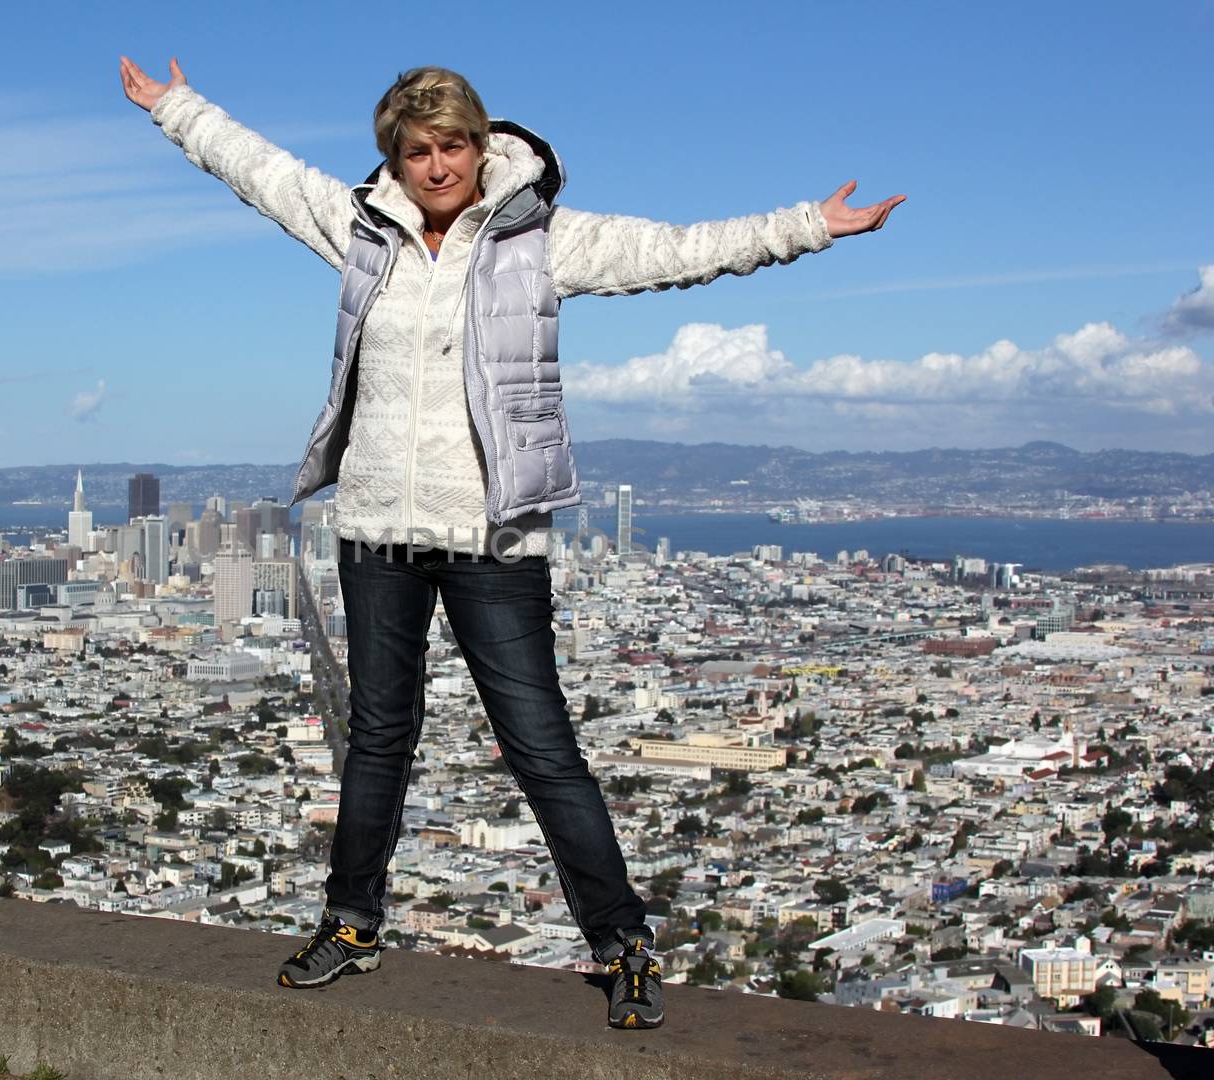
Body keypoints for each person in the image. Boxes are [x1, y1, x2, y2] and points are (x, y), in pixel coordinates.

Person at [121, 56, 902, 1030]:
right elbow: (266, 172)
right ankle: (352, 922)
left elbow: (677, 249)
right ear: (393, 160)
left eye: (451, 145)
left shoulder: (540, 240)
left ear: (481, 145)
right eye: (416, 151)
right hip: (376, 532)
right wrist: (176, 108)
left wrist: (807, 228)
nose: (437, 166)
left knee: (542, 748)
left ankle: (621, 945)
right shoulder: (363, 233)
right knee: (376, 742)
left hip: (494, 537)